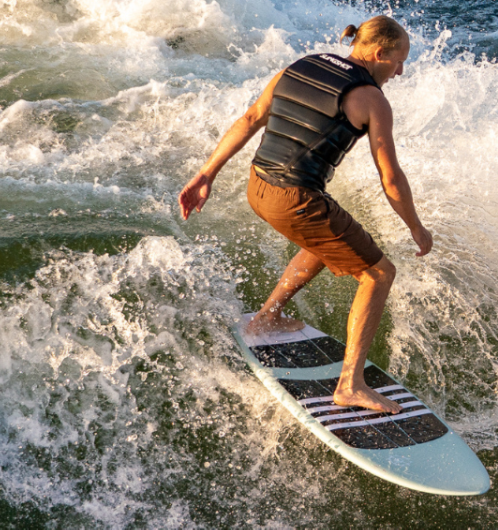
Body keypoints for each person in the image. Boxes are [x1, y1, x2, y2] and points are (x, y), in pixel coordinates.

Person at [178, 16, 430, 414]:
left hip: (258, 187)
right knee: (379, 273)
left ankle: (266, 318)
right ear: (379, 53)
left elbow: (249, 120)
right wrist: (416, 226)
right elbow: (391, 177)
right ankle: (350, 384)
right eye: (399, 61)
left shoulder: (302, 65)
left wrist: (205, 175)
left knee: (327, 241)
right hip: (295, 199)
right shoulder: (371, 99)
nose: (400, 72)